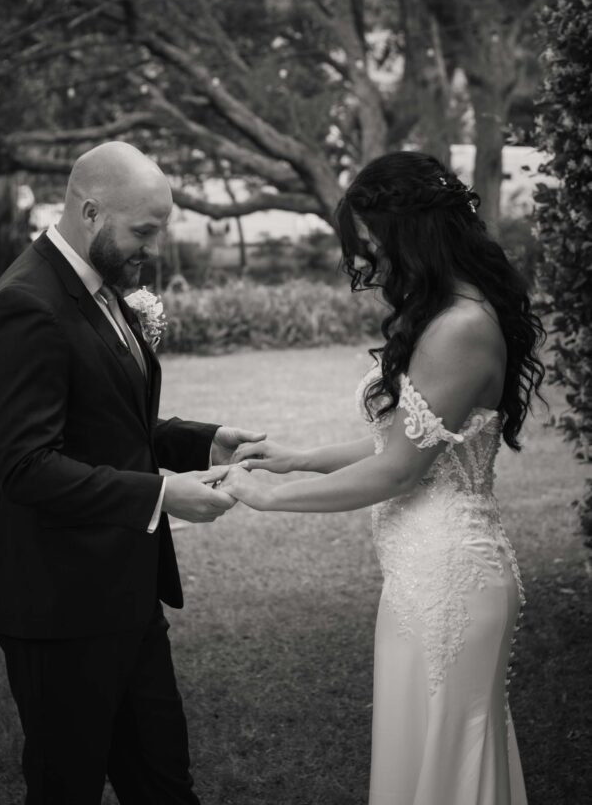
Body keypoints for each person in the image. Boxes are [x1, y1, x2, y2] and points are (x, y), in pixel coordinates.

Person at [224, 151, 545, 805]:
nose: (371, 259)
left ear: (413, 232)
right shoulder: (445, 312)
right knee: (423, 756)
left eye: (373, 242)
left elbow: (398, 469)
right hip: (420, 573)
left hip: (449, 578)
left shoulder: (460, 326)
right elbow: (399, 442)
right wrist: (294, 457)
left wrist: (270, 497)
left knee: (447, 762)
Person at [0, 141, 261, 805]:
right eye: (143, 231)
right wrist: (162, 493)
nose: (151, 248)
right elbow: (27, 467)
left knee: (162, 781)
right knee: (65, 785)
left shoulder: (100, 290)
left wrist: (204, 442)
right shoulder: (26, 305)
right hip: (57, 601)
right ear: (90, 210)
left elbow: (107, 421)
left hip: (124, 590)